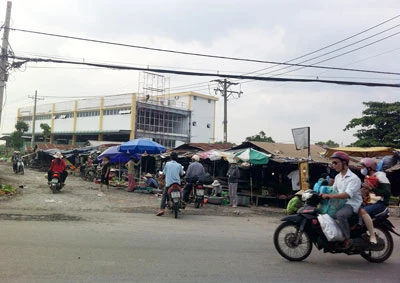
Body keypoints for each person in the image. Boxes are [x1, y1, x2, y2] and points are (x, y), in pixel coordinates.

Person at [320, 151, 362, 250]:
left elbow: (347, 195)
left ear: (344, 163)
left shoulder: (354, 178)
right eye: (333, 163)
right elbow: (333, 190)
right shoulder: (338, 177)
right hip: (339, 202)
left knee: (340, 215)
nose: (333, 165)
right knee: (323, 212)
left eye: (336, 163)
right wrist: (321, 191)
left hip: (350, 204)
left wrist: (331, 196)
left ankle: (347, 239)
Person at [358, 158, 392, 244]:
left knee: (363, 211)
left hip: (381, 204)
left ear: (369, 168)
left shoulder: (380, 176)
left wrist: (371, 188)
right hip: (371, 202)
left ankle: (372, 235)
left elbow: (387, 193)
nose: (361, 169)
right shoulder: (369, 178)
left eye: (363, 167)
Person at [156, 152, 184, 216]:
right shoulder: (179, 165)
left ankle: (162, 209)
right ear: (177, 158)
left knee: (164, 196)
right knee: (181, 193)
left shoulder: (167, 164)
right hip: (177, 183)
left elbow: (163, 174)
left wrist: (159, 178)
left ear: (170, 157)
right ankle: (181, 202)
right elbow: (181, 174)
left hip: (169, 184)